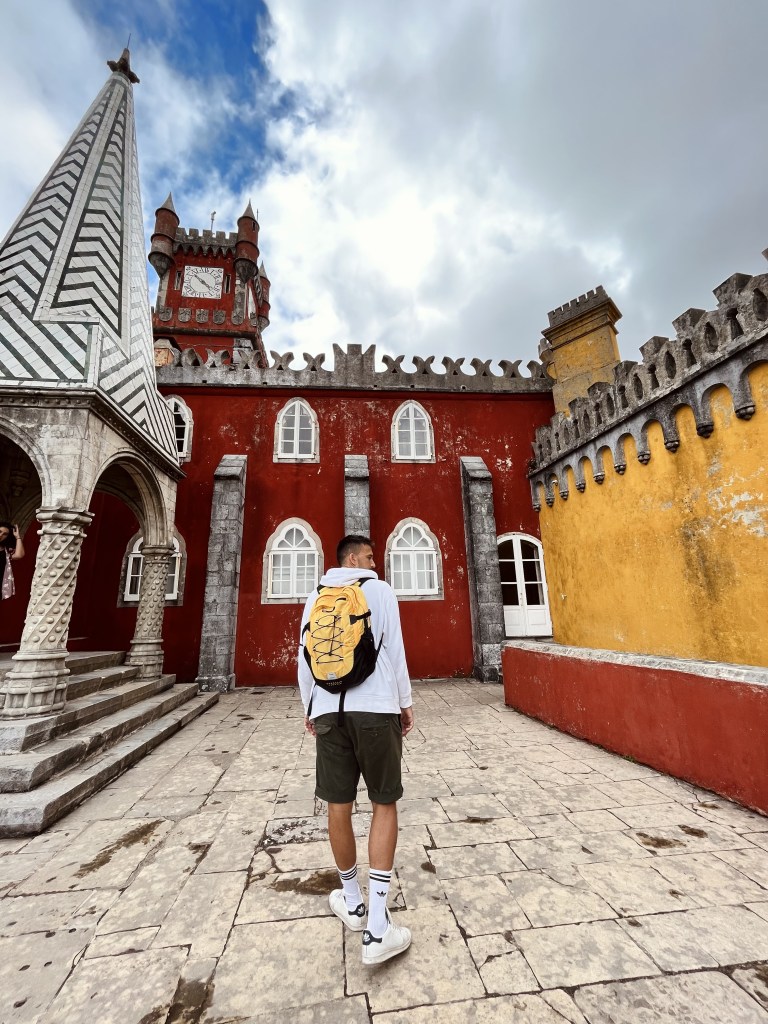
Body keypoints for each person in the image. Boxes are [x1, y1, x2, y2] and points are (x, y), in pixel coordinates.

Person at [299, 534, 414, 966]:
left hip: (328, 708)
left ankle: (352, 900)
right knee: (384, 803)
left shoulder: (315, 597)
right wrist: (405, 704)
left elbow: (303, 656)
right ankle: (379, 927)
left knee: (337, 805)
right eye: (370, 556)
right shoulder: (381, 592)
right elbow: (396, 652)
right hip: (376, 708)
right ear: (352, 557)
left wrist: (310, 708)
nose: (375, 563)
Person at [0, 522, 25, 601]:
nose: (1, 535)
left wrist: (17, 537)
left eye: (5, 534)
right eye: (0, 532)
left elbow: (19, 555)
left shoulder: (5, 551)